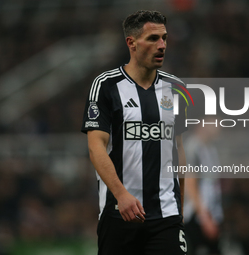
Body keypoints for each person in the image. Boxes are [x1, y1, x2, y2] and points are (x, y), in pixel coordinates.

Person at [81, 10, 188, 255]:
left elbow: (178, 149)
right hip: (119, 213)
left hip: (166, 215)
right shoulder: (105, 86)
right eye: (153, 39)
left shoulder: (176, 88)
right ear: (131, 43)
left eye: (164, 38)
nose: (162, 45)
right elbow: (95, 147)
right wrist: (121, 195)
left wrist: (179, 205)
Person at [183, 121, 224, 255]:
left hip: (210, 213)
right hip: (195, 216)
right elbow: (190, 183)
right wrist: (204, 216)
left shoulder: (209, 148)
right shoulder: (193, 146)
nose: (219, 125)